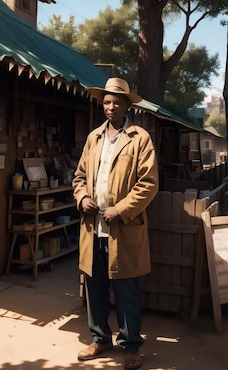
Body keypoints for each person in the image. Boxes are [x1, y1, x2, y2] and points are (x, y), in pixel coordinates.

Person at [72, 77, 159, 370]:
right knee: (95, 289)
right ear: (103, 105)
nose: (111, 107)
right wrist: (83, 198)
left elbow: (148, 184)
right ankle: (100, 339)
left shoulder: (139, 138)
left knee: (126, 292)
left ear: (126, 106)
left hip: (123, 229)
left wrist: (120, 209)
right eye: (107, 102)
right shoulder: (94, 138)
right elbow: (80, 176)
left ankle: (131, 346)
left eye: (116, 102)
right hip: (93, 228)